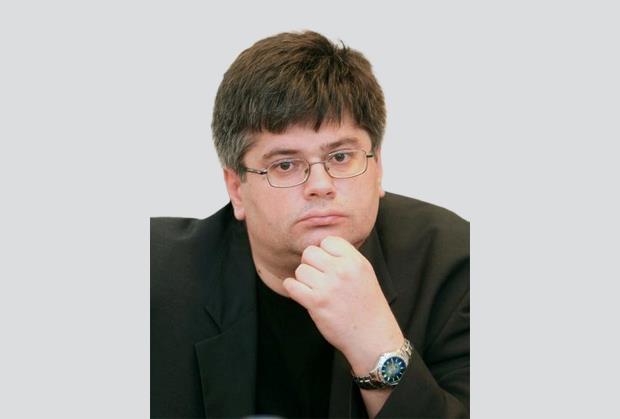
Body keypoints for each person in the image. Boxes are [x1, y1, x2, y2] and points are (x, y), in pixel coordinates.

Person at [151, 30, 469, 419]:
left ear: (378, 168)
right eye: (285, 164)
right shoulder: (156, 277)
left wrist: (377, 347)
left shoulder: (455, 264)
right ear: (236, 188)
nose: (321, 185)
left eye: (341, 157)